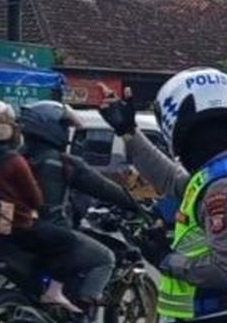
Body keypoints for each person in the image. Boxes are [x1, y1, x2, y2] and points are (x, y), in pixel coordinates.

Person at [98, 69, 227, 323]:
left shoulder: (224, 187)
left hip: (212, 315)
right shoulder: (219, 172)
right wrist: (129, 132)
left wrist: (167, 259)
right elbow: (169, 178)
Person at [0, 99, 88, 315]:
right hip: (15, 226)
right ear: (3, 127)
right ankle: (54, 291)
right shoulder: (12, 160)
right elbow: (35, 199)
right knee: (68, 241)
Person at [19, 100, 140, 314]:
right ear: (50, 127)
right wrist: (136, 205)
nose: (67, 132)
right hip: (53, 233)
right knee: (105, 258)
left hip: (18, 232)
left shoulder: (15, 158)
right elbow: (104, 188)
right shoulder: (62, 162)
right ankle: (82, 311)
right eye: (64, 126)